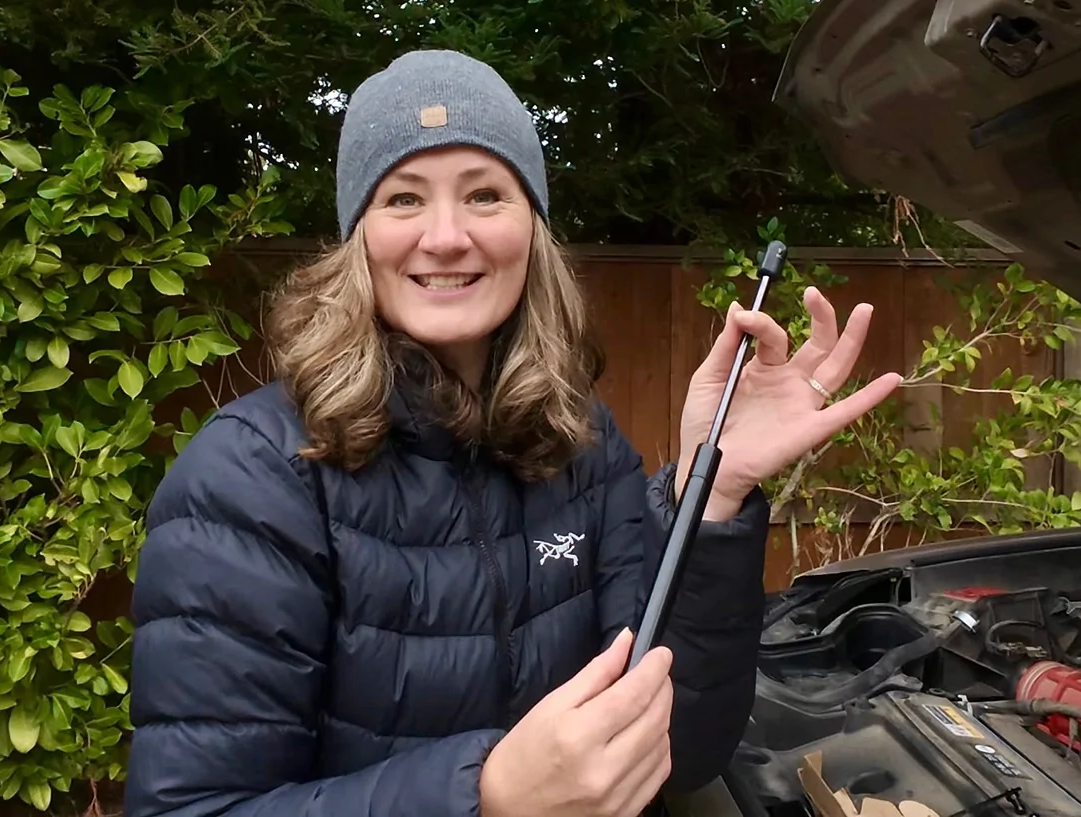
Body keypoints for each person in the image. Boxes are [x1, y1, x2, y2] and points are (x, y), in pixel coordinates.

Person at [123, 49, 903, 817]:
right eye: (402, 198)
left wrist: (716, 492)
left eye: (485, 194)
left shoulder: (581, 444)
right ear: (357, 235)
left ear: (532, 228)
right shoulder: (250, 478)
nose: (446, 235)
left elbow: (682, 747)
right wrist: (486, 794)